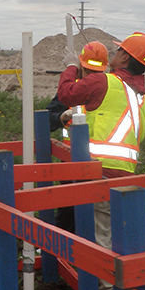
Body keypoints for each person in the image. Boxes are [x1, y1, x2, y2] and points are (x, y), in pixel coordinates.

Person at [56, 32, 145, 290]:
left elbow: (66, 93)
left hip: (98, 172)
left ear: (125, 57)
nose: (115, 53)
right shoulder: (141, 98)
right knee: (117, 235)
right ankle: (125, 288)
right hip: (126, 175)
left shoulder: (103, 80)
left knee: (101, 239)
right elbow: (118, 126)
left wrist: (70, 67)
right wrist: (73, 119)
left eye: (119, 50)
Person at [45, 41, 109, 233]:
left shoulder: (109, 89)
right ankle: (61, 256)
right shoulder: (72, 90)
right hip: (70, 166)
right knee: (68, 216)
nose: (90, 76)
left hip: (99, 167)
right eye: (87, 71)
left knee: (94, 222)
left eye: (94, 72)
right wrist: (61, 117)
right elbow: (47, 120)